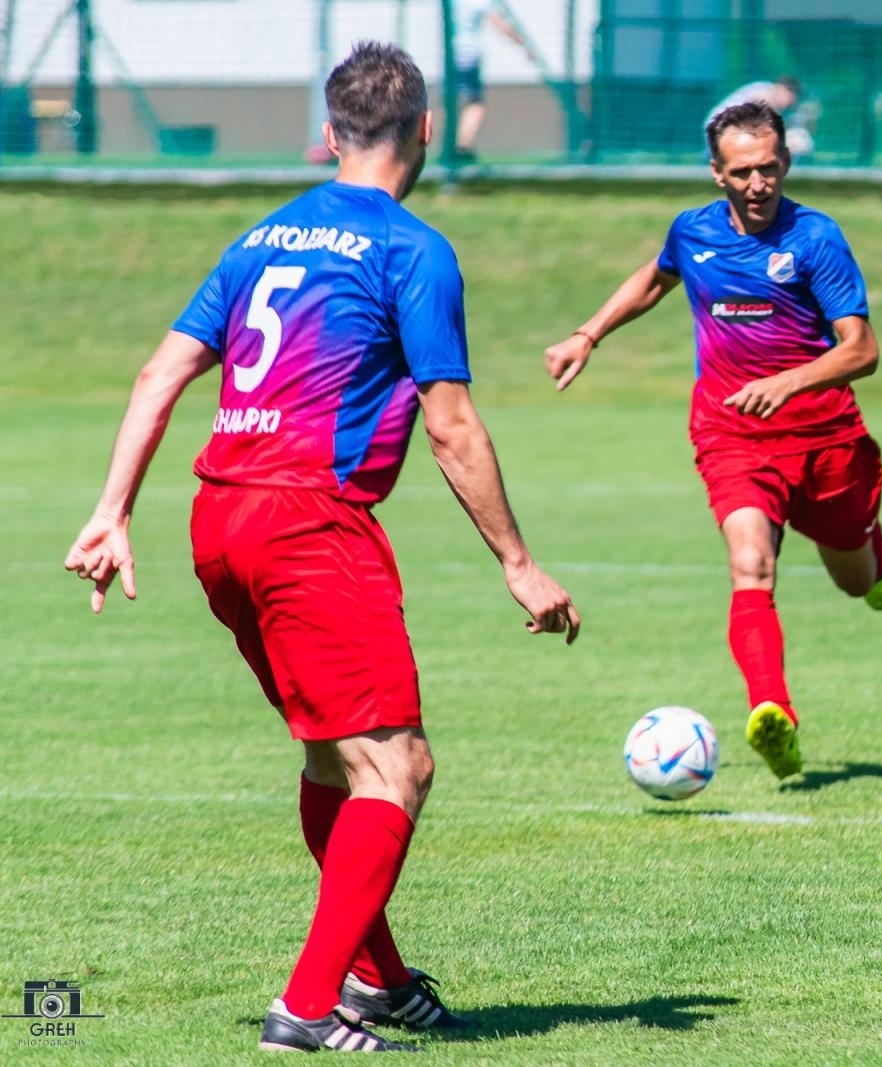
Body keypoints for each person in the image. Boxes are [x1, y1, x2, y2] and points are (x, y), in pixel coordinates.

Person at [63, 42, 580, 1052]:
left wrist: (112, 508)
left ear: (332, 132)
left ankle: (379, 976)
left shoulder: (260, 236)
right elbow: (452, 425)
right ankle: (305, 1008)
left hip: (219, 519)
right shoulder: (412, 248)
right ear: (426, 131)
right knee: (398, 767)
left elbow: (156, 374)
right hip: (308, 524)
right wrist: (519, 561)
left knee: (339, 760)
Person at [543, 100, 882, 781]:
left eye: (769, 169)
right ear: (716, 173)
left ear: (786, 163)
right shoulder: (693, 232)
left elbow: (863, 350)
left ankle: (874, 548)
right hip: (731, 432)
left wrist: (789, 383)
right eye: (742, 172)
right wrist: (588, 333)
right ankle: (774, 711)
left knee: (858, 583)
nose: (758, 184)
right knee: (749, 564)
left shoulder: (817, 239)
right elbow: (657, 276)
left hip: (824, 436)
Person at [452, 0, 537, 161]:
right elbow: (499, 23)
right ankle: (464, 145)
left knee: (454, 101)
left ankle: (453, 143)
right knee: (475, 103)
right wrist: (522, 44)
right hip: (468, 55)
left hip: (450, 56)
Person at [705, 77, 814, 157]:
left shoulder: (780, 105)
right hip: (720, 128)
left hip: (732, 132)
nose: (789, 101)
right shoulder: (763, 93)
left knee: (799, 141)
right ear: (780, 88)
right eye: (789, 95)